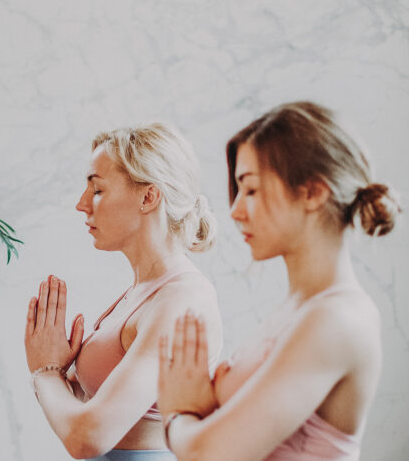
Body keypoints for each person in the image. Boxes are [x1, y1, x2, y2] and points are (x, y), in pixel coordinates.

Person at [157, 101, 401, 461]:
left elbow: (207, 453)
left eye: (251, 190)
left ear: (313, 193)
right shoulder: (301, 308)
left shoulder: (337, 319)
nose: (236, 210)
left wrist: (178, 413)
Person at [24, 124, 224, 460]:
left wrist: (45, 373)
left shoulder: (181, 300)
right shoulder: (143, 292)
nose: (81, 204)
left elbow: (87, 438)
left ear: (148, 197)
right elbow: (80, 409)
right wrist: (58, 372)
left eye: (98, 190)